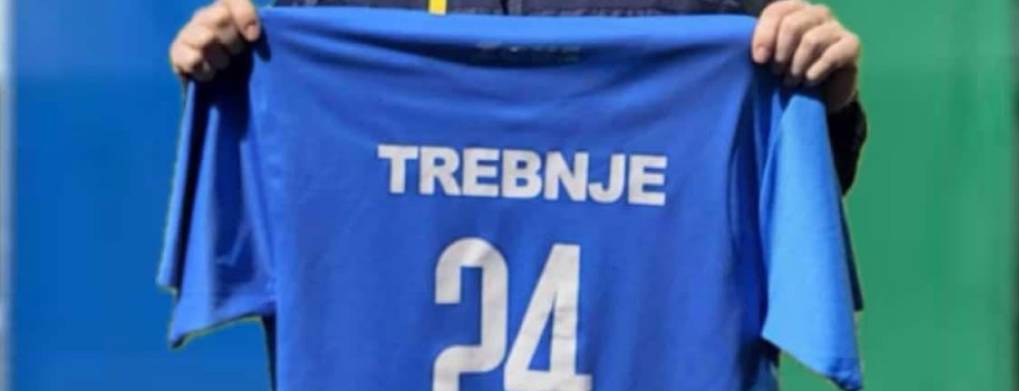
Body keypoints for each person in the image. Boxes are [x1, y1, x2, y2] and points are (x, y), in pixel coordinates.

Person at [168, 0, 867, 189]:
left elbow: (774, 203)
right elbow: (287, 197)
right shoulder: (323, 14)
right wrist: (232, 96)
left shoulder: (713, 10)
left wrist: (820, 107)